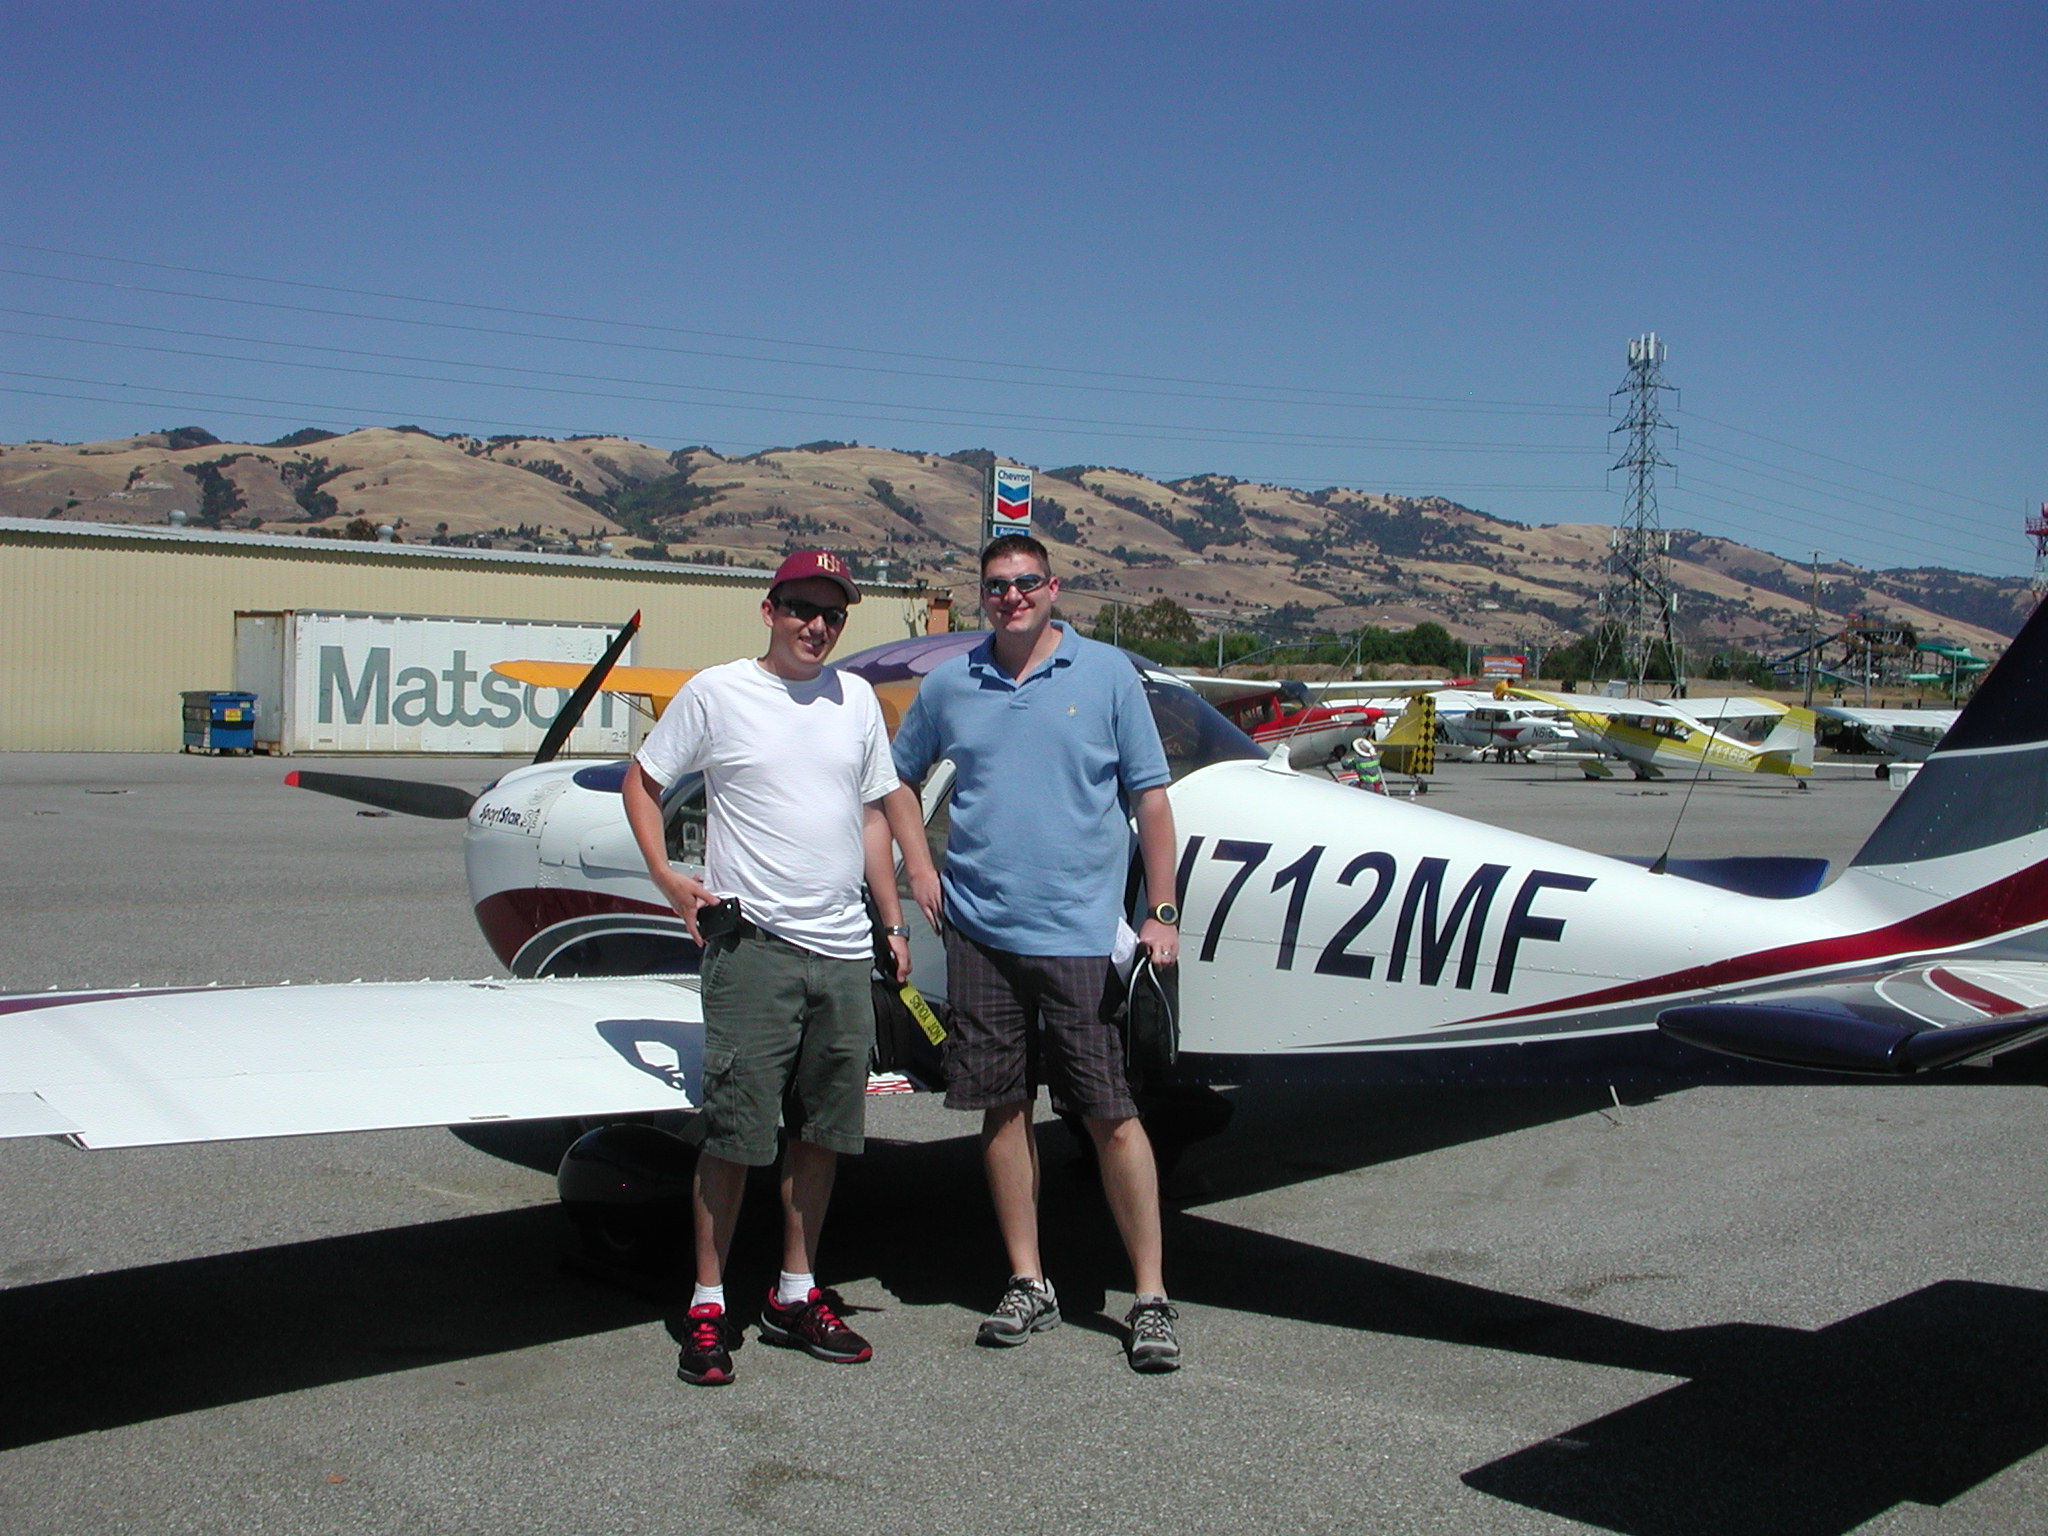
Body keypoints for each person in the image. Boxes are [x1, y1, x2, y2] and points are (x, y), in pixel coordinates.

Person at [623, 549, 936, 1387]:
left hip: (841, 951)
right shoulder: (719, 692)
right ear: (769, 610)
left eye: (832, 614)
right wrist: (667, 878)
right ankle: (707, 1302)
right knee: (734, 1133)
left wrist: (891, 919)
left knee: (823, 1132)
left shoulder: (856, 701)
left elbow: (872, 815)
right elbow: (643, 781)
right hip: (752, 947)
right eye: (801, 608)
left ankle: (794, 1293)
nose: (816, 626)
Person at [891, 534, 1185, 1373]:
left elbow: (1151, 804)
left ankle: (1152, 1295)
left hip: (1082, 935)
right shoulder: (952, 683)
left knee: (1109, 1114)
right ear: (981, 595)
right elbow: (896, 779)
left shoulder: (1106, 676)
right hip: (983, 933)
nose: (1011, 596)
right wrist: (920, 866)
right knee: (1001, 1107)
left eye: (1026, 583)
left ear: (1053, 588)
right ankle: (1028, 1280)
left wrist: (1159, 911)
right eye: (996, 586)